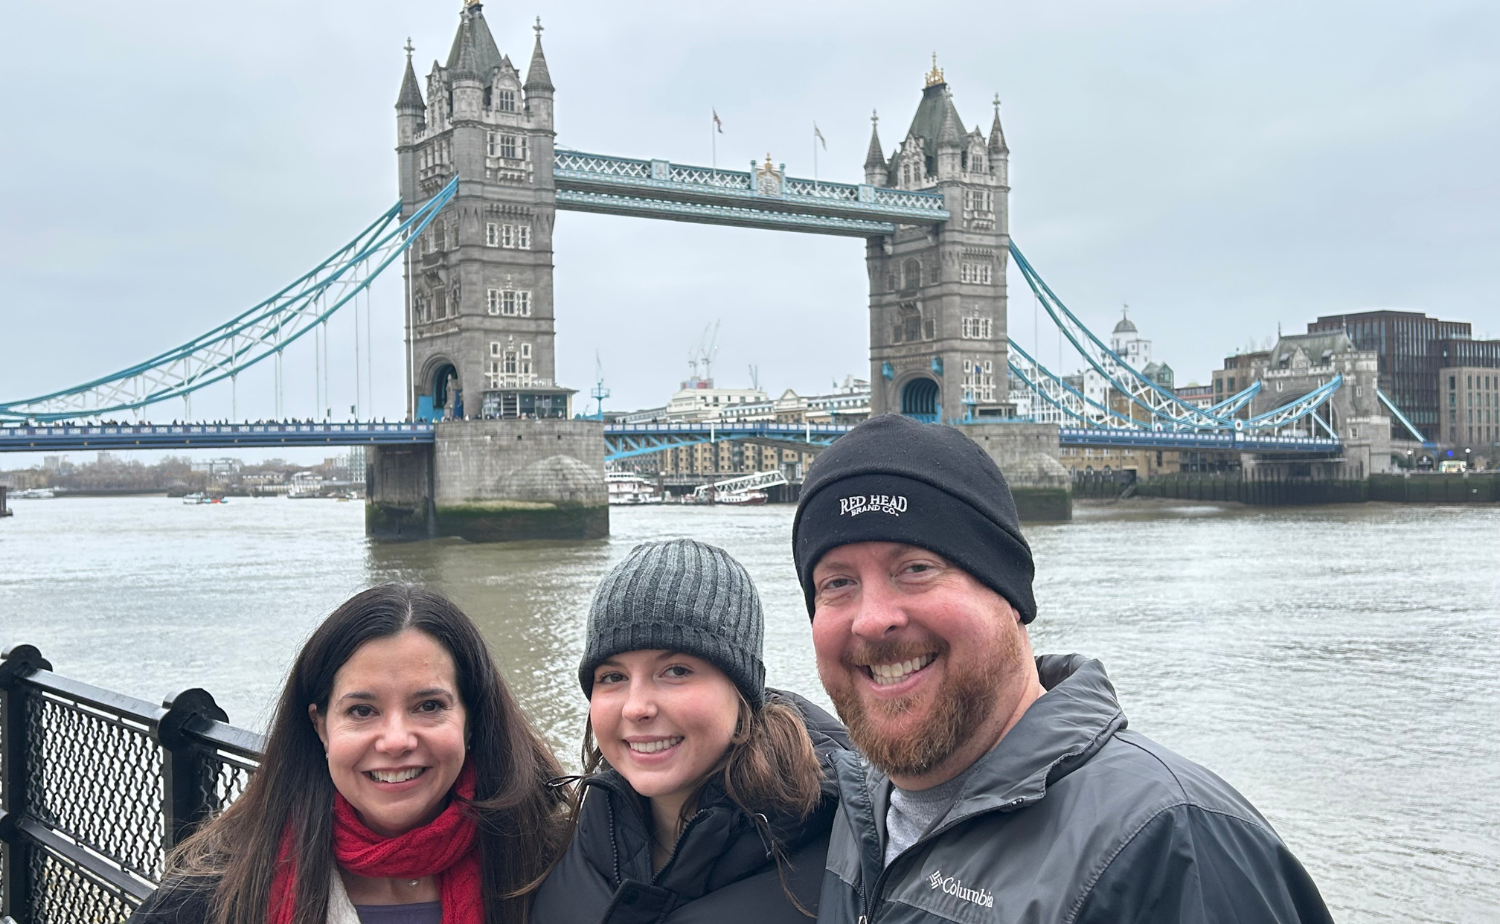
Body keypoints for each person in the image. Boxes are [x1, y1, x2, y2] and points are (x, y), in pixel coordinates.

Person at [790, 415, 1333, 924]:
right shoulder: (856, 810)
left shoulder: (1174, 843)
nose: (873, 620)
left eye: (915, 568)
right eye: (837, 583)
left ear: (1010, 595)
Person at [128, 584, 567, 924]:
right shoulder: (213, 894)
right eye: (362, 710)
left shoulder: (554, 869)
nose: (396, 740)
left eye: (428, 706)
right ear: (320, 726)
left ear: (471, 721)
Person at [531, 539, 852, 923]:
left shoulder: (847, 852)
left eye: (676, 671)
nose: (636, 707)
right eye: (613, 676)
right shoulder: (567, 842)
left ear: (742, 692)